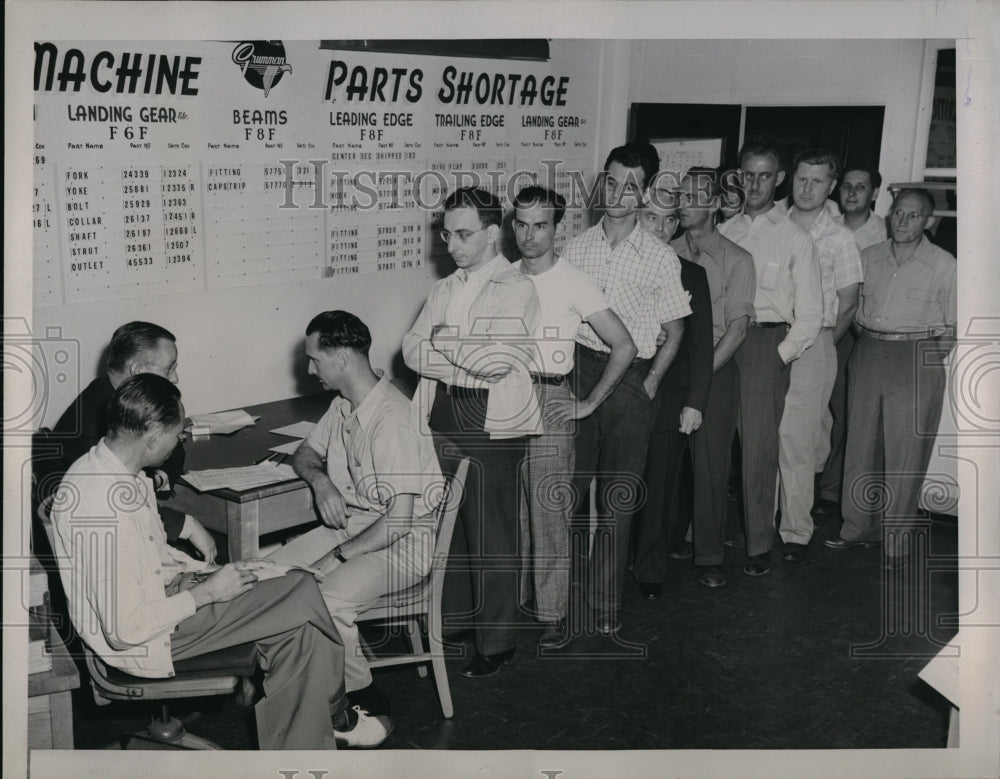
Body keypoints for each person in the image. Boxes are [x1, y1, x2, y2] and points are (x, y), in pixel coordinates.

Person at [49, 373, 389, 749]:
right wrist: (209, 592)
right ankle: (338, 710)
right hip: (146, 641)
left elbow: (151, 557)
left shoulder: (111, 470)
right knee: (303, 586)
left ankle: (298, 758)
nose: (179, 441)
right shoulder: (101, 507)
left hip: (166, 602)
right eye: (177, 434)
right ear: (154, 438)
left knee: (299, 629)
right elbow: (125, 629)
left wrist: (203, 573)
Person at [267, 310, 444, 717]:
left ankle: (360, 695)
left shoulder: (392, 420)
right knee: (265, 573)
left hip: (402, 543)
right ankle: (295, 683)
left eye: (315, 359)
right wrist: (322, 482)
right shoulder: (344, 405)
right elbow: (305, 453)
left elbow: (399, 521)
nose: (310, 369)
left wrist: (339, 556)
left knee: (327, 601)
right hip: (357, 526)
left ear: (342, 359)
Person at [403, 187, 541, 677]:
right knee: (449, 524)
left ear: (491, 233)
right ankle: (458, 618)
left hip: (490, 419)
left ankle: (498, 641)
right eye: (447, 234)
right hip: (441, 410)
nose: (453, 244)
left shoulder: (516, 286)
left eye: (464, 234)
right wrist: (458, 349)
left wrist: (445, 343)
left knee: (491, 530)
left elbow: (497, 362)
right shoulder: (445, 287)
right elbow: (410, 350)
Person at [562, 142, 692, 633]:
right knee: (568, 492)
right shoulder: (575, 247)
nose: (618, 193)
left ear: (645, 193)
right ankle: (566, 596)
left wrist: (651, 381)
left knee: (616, 498)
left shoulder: (660, 257)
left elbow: (676, 331)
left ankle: (603, 604)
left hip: (631, 380)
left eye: (630, 185)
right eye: (611, 181)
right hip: (578, 370)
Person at [510, 186, 637, 647]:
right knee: (513, 509)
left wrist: (587, 404)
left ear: (556, 227)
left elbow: (624, 346)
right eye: (521, 224)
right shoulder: (501, 276)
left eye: (540, 225)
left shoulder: (575, 279)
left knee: (547, 509)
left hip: (549, 398)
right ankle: (520, 600)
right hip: (506, 398)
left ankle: (553, 614)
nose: (529, 235)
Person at [825, 188, 956, 570]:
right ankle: (857, 528)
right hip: (868, 350)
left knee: (906, 449)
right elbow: (852, 309)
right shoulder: (869, 258)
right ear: (889, 216)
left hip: (916, 354)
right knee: (860, 441)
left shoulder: (944, 265)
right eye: (898, 213)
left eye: (913, 216)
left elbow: (954, 326)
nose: (903, 221)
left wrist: (923, 363)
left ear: (929, 221)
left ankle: (896, 539)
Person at [719, 137, 822, 577]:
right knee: (712, 442)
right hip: (724, 342)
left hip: (765, 344)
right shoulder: (725, 230)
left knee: (759, 450)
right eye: (747, 175)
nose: (755, 184)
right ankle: (700, 534)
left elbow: (812, 314)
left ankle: (758, 543)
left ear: (779, 179)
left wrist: (779, 356)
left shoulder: (795, 238)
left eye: (764, 175)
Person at [45, 321, 216, 563]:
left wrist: (155, 478)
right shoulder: (90, 423)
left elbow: (174, 446)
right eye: (169, 369)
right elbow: (103, 507)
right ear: (137, 369)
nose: (175, 378)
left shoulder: (127, 403)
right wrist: (182, 522)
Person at [667, 167, 756, 588]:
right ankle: (670, 539)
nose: (683, 203)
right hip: (670, 369)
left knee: (709, 466)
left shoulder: (738, 260)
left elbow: (737, 330)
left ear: (716, 204)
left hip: (716, 371)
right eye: (680, 195)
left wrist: (699, 380)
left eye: (694, 196)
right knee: (669, 463)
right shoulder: (667, 251)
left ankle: (710, 556)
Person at [632, 180, 713, 596]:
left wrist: (695, 403)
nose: (662, 231)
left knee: (660, 488)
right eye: (652, 219)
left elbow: (700, 346)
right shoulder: (613, 267)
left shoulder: (692, 275)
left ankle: (650, 571)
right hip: (621, 392)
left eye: (670, 221)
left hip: (669, 398)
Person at [782, 150, 863, 560]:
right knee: (764, 436)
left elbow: (849, 302)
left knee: (798, 443)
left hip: (816, 342)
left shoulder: (839, 237)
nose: (807, 188)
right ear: (791, 179)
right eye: (802, 179)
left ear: (831, 186)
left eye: (817, 181)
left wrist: (821, 348)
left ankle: (795, 531)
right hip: (771, 340)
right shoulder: (774, 224)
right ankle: (762, 522)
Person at [816, 166, 886, 516]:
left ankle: (832, 490)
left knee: (849, 412)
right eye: (846, 186)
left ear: (874, 193)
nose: (852, 192)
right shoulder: (825, 225)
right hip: (828, 329)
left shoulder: (886, 231)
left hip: (862, 336)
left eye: (861, 187)